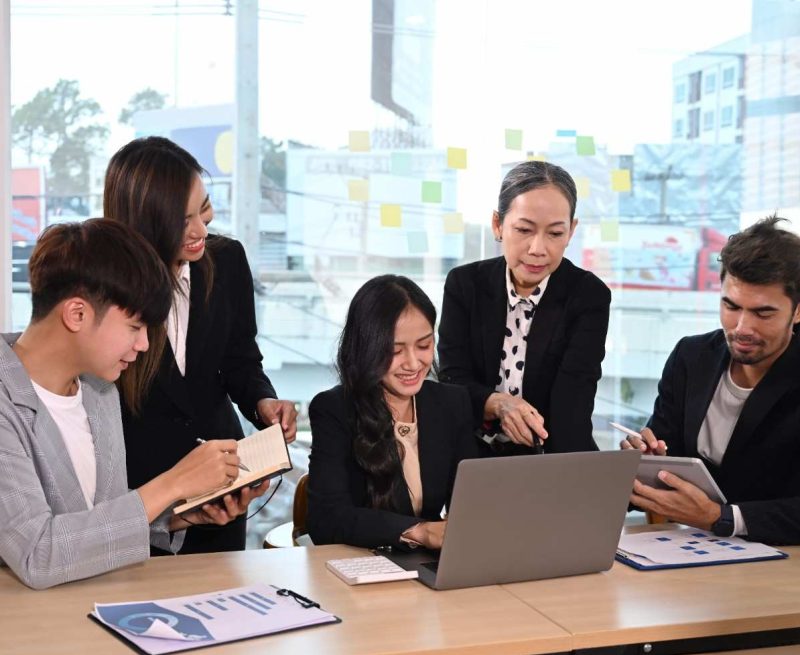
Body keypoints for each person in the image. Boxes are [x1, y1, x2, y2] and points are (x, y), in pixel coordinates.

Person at [0, 219, 267, 590]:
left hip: (105, 611)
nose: (143, 346)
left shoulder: (99, 390)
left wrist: (181, 515)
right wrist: (172, 484)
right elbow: (37, 553)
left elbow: (95, 521)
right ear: (76, 314)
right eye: (134, 327)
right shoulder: (6, 398)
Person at [103, 137, 297, 554]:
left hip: (222, 487)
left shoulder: (226, 261)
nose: (200, 230)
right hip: (141, 492)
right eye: (181, 219)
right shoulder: (108, 283)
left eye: (204, 209)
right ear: (143, 221)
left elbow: (240, 358)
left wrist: (263, 401)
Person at [623, 215, 800, 545]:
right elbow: (665, 450)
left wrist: (721, 518)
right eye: (730, 306)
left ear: (798, 311)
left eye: (763, 313)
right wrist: (646, 462)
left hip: (781, 566)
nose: (742, 327)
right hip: (687, 551)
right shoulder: (692, 357)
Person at [438, 161, 611, 457]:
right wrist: (499, 403)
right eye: (524, 230)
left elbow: (572, 405)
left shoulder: (588, 296)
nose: (537, 249)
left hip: (553, 457)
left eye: (555, 234)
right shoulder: (465, 285)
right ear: (498, 224)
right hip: (472, 455)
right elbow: (453, 383)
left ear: (571, 231)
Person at [307, 275, 476, 550]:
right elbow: (325, 520)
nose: (413, 363)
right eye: (394, 351)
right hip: (362, 564)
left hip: (431, 566)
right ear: (366, 349)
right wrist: (419, 531)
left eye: (424, 345)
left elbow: (472, 502)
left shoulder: (451, 403)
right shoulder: (334, 410)